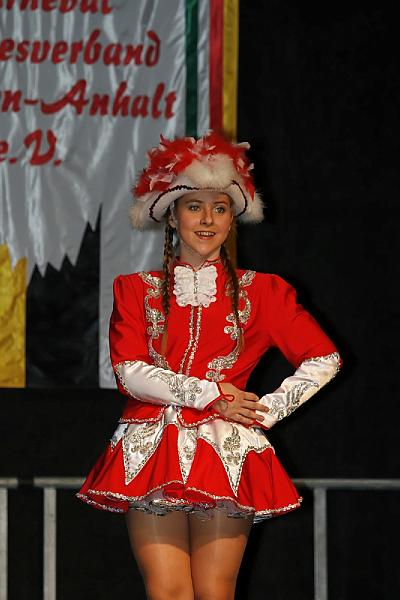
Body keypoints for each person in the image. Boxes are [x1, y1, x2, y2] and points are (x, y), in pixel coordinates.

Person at [78, 131, 341, 600]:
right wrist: (212, 395)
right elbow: (129, 370)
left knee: (216, 591)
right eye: (194, 206)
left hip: (226, 452)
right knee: (168, 591)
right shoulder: (135, 289)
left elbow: (324, 358)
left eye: (220, 208)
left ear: (232, 218)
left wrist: (265, 410)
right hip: (151, 448)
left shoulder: (265, 292)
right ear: (171, 215)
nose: (207, 219)